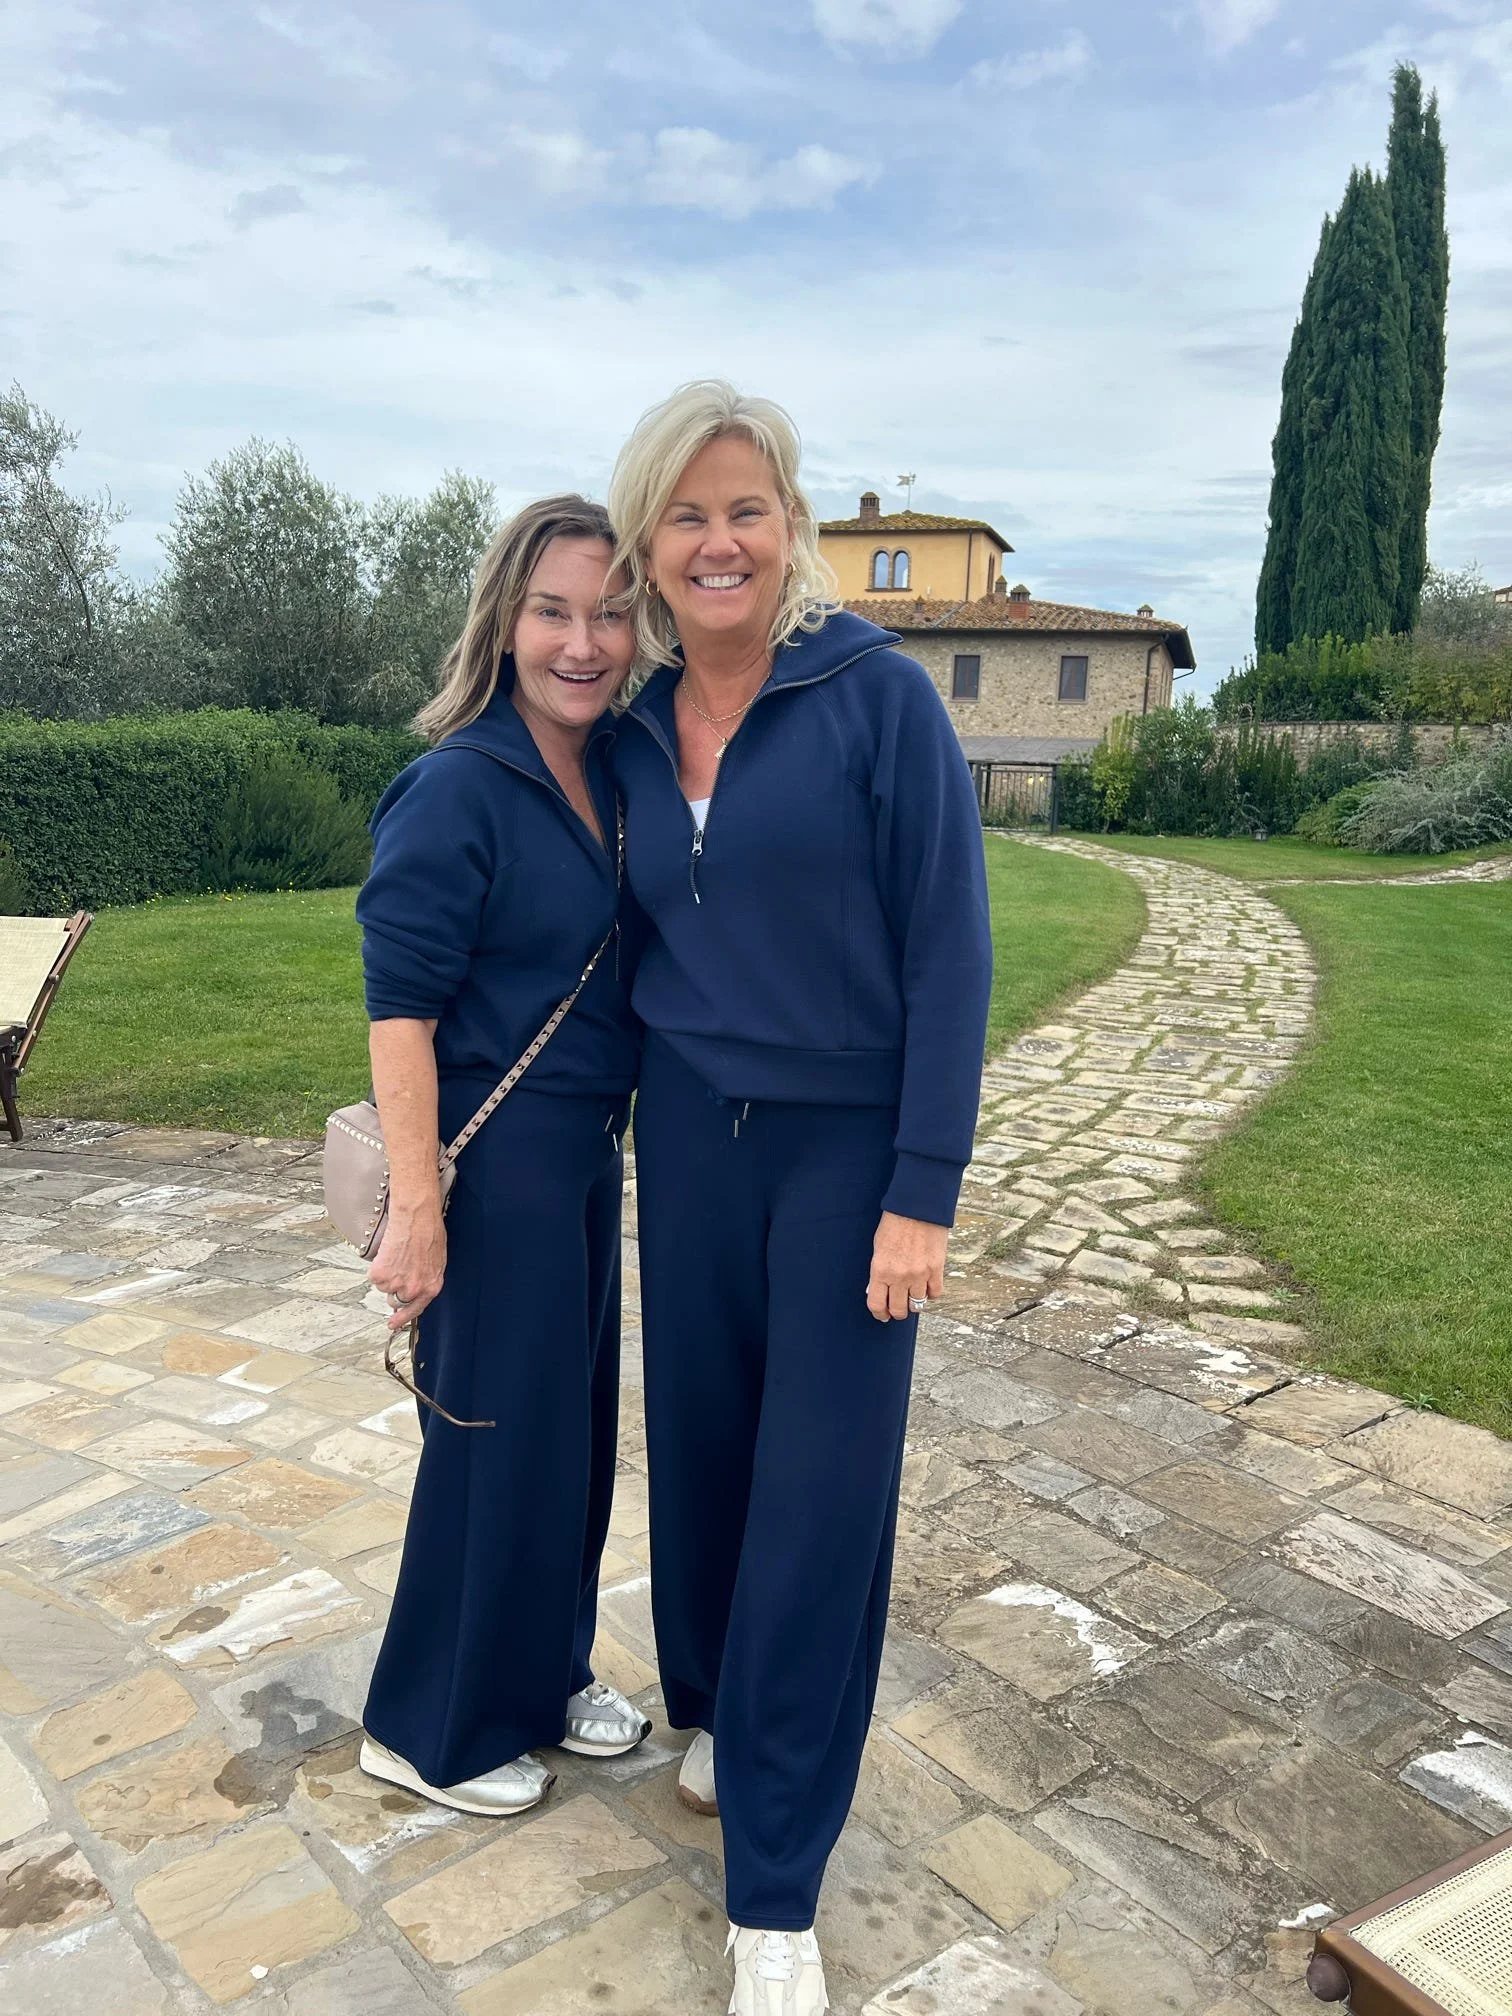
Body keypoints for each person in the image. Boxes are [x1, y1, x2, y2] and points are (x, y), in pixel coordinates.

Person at [608, 383, 992, 2013]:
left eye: (745, 509)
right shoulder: (627, 719)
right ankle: (709, 1714)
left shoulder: (875, 702)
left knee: (818, 1503)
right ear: (649, 540)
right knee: (699, 1451)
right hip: (690, 1138)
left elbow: (950, 948)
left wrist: (925, 1187)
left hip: (847, 1160)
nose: (718, 541)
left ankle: (776, 1878)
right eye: (686, 515)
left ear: (794, 529)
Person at [356, 495, 651, 1816]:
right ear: (504, 621)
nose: (580, 641)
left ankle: (542, 1672)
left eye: (607, 611)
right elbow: (399, 1014)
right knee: (486, 1444)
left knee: (565, 1444)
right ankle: (429, 1726)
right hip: (494, 1169)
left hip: (586, 1162)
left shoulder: (616, 768)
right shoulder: (460, 783)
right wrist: (417, 1207)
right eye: (552, 611)